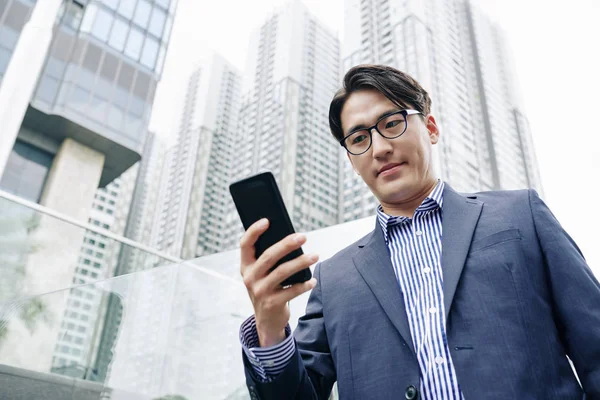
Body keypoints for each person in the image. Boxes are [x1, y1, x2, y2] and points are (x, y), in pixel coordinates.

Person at [237, 64, 600, 399]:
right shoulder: (333, 279)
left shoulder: (521, 214)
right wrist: (269, 329)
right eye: (359, 139)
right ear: (351, 160)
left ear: (430, 127)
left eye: (391, 123)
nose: (379, 148)